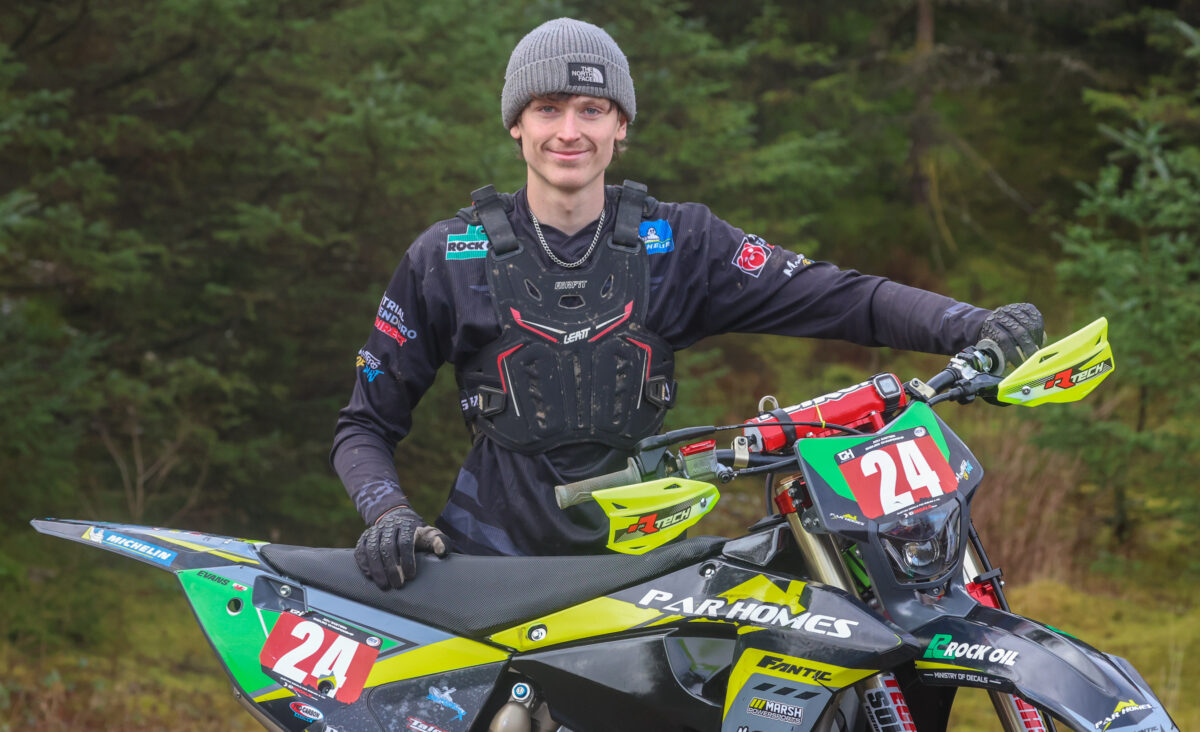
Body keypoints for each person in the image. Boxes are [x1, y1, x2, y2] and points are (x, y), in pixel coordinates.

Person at [332, 18, 1045, 590]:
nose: (569, 131)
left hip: (642, 577)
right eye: (547, 108)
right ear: (516, 123)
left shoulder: (682, 243)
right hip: (484, 574)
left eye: (592, 109)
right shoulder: (447, 255)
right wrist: (388, 513)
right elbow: (363, 426)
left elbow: (841, 297)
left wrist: (971, 325)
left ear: (621, 125)